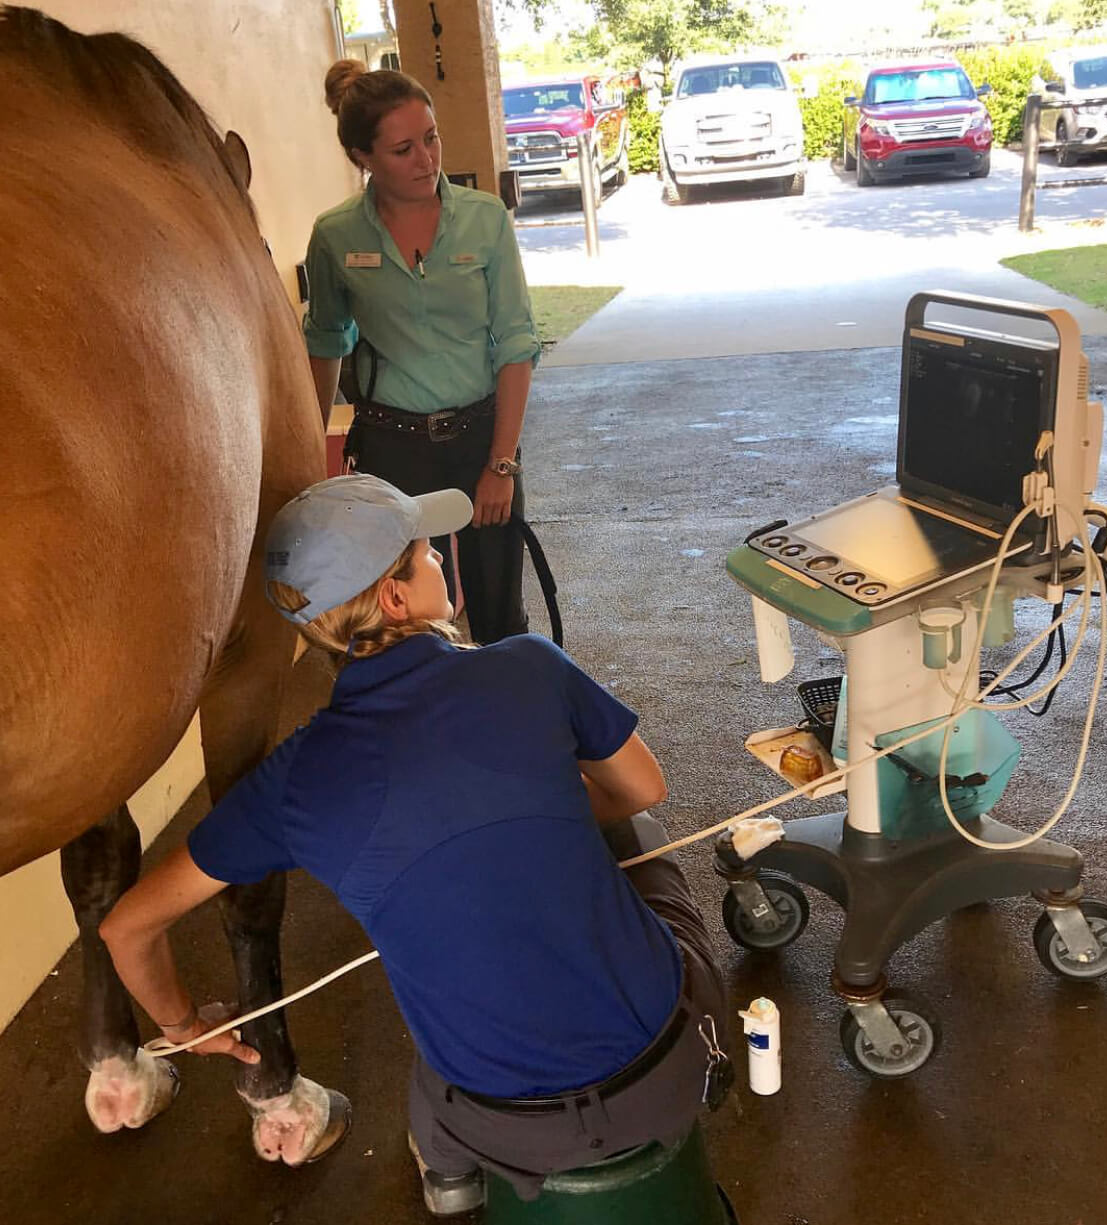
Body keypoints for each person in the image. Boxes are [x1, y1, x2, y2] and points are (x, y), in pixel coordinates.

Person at [100, 474, 730, 1216]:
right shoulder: (529, 663)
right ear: (396, 597)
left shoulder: (293, 781)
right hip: (664, 1071)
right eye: (427, 554)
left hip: (497, 1124)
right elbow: (642, 788)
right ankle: (696, 1061)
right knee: (641, 837)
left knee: (438, 1005)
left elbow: (126, 928)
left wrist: (182, 1028)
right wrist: (537, 808)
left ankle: (448, 1170)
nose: (439, 562)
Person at [304, 62, 540, 645]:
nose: (427, 159)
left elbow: (516, 344)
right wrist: (309, 455)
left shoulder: (484, 220)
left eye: (431, 138)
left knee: (500, 618)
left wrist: (501, 464)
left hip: (483, 438)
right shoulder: (335, 235)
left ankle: (505, 702)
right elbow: (327, 340)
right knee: (412, 622)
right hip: (393, 447)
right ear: (362, 157)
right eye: (403, 149)